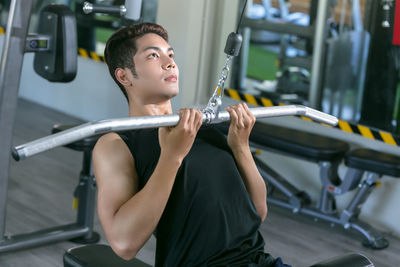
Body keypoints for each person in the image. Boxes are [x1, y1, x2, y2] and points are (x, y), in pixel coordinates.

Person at [93, 22, 290, 267]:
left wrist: (240, 147)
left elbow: (257, 212)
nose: (169, 63)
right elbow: (124, 244)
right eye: (154, 55)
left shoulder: (205, 129)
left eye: (170, 54)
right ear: (124, 75)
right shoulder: (117, 143)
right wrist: (171, 157)